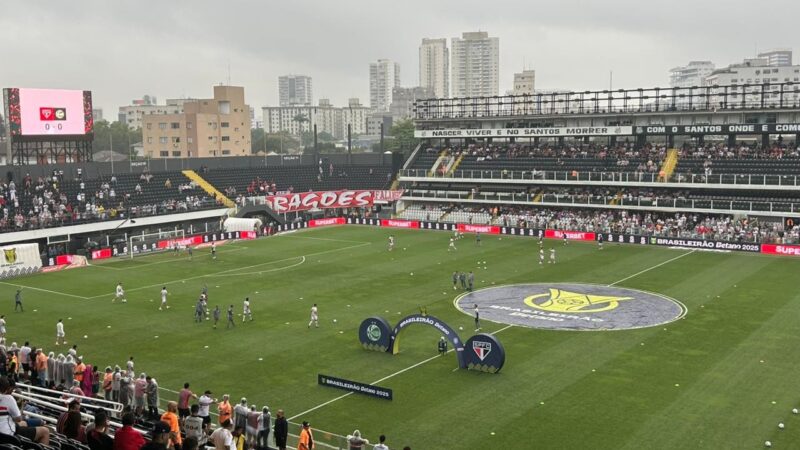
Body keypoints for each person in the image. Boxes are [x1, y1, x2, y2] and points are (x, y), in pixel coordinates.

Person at [0, 376, 50, 445]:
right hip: (7, 436)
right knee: (45, 431)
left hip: (5, 432)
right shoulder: (8, 398)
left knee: (23, 423)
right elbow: (18, 418)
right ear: (6, 388)